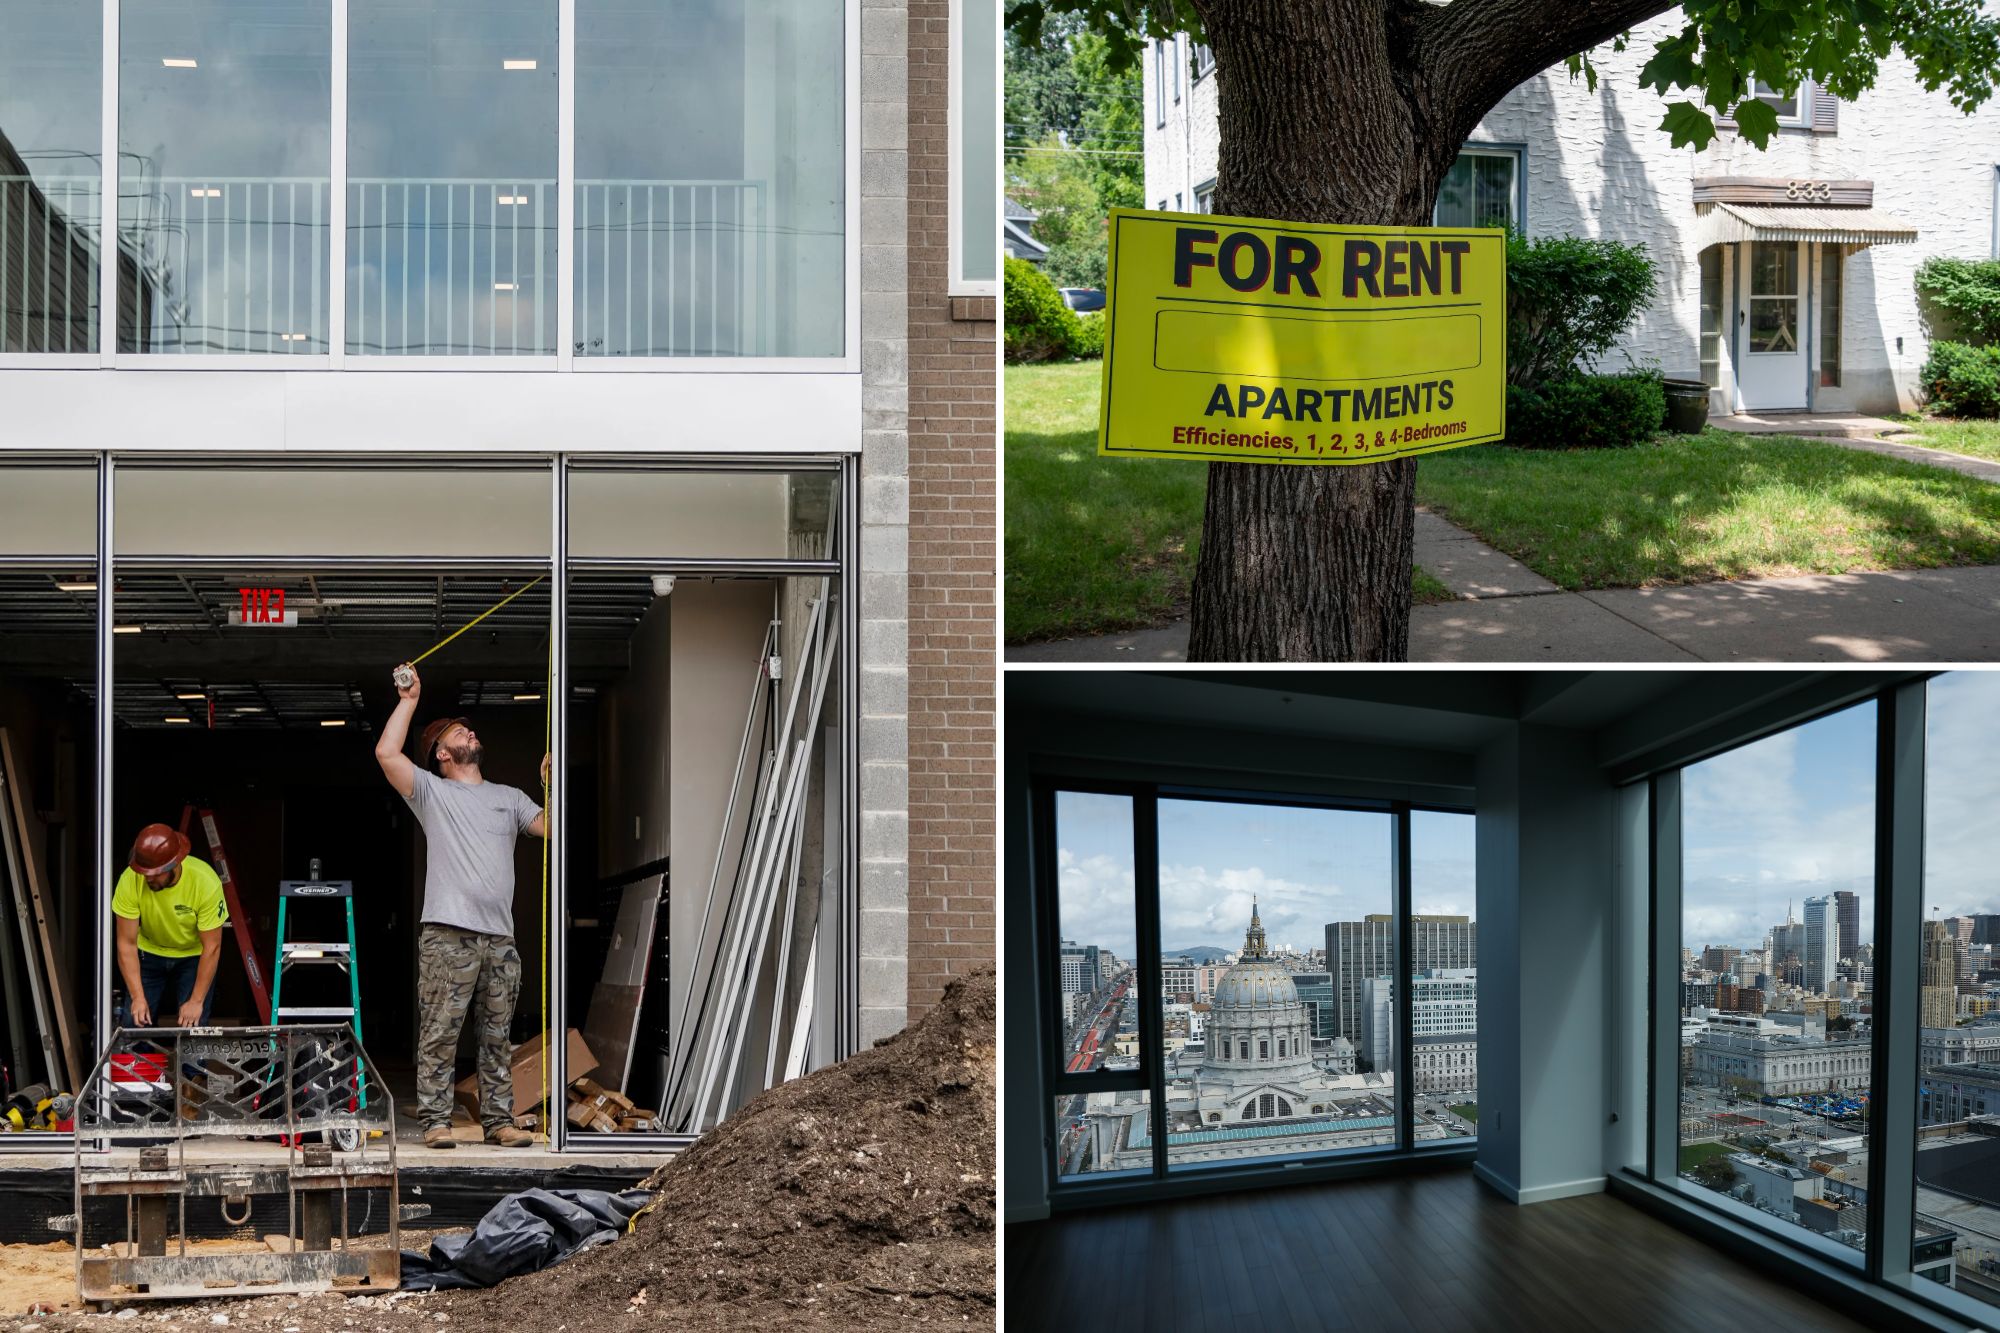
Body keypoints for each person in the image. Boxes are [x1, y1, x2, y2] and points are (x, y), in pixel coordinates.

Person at [375, 662, 549, 1150]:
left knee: (497, 1037)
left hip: (500, 937)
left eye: (468, 729)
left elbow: (551, 829)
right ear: (443, 753)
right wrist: (409, 701)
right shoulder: (432, 792)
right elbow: (386, 752)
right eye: (459, 732)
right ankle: (435, 1121)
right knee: (440, 1031)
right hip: (449, 933)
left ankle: (499, 1123)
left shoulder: (510, 797)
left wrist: (551, 784)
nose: (470, 732)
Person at [112, 824, 227, 1029]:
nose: (148, 878)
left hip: (193, 956)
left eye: (155, 873)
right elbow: (126, 943)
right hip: (148, 952)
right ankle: (141, 1060)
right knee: (133, 1024)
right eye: (144, 872)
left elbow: (212, 947)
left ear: (174, 864)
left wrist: (196, 1001)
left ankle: (191, 1061)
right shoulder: (130, 879)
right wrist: (137, 996)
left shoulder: (205, 882)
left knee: (194, 1028)